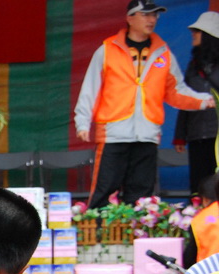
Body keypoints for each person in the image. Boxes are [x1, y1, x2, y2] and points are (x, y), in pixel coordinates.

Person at [74, 0, 213, 210]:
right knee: (105, 191)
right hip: (113, 133)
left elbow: (176, 91)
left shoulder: (163, 53)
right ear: (130, 18)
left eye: (155, 15)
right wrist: (82, 122)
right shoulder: (107, 50)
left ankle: (136, 229)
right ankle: (99, 228)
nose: (151, 19)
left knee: (141, 195)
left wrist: (205, 100)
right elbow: (90, 88)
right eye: (146, 15)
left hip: (147, 134)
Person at [174, 12, 219, 199]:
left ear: (209, 34)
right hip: (197, 134)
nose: (193, 33)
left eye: (197, 31)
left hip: (217, 134)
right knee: (198, 184)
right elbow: (185, 99)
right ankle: (198, 216)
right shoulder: (193, 65)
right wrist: (180, 135)